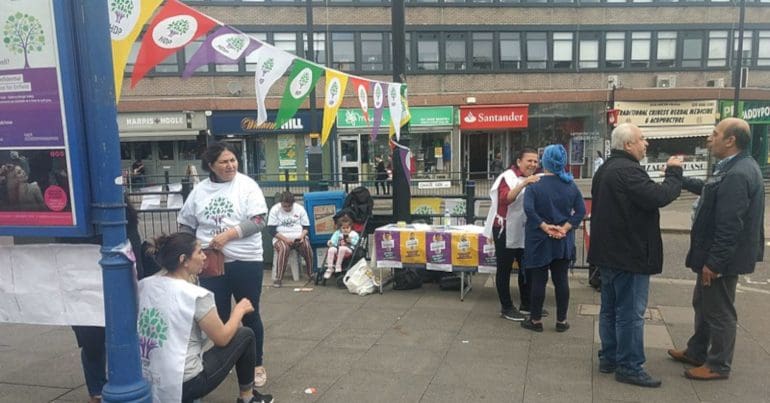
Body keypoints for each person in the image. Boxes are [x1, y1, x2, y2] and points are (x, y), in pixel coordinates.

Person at [667, 118, 764, 381]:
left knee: (719, 310)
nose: (710, 139)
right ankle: (697, 351)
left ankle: (718, 364)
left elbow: (730, 224)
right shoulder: (731, 167)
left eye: (715, 134)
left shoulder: (738, 173)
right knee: (703, 303)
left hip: (721, 259)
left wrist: (715, 263)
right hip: (714, 255)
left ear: (730, 140)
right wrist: (679, 178)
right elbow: (709, 190)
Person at [588, 123, 683, 388]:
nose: (646, 143)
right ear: (628, 144)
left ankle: (609, 357)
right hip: (629, 255)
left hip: (609, 254)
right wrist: (674, 173)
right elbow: (659, 196)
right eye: (642, 139)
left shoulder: (607, 168)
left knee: (609, 309)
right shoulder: (628, 171)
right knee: (630, 313)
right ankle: (629, 366)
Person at [138, 232, 273, 403]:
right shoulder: (196, 295)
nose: (204, 257)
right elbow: (222, 339)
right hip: (186, 383)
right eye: (200, 252)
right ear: (183, 260)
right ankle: (247, 398)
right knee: (245, 334)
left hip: (148, 376)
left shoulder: (145, 284)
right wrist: (239, 310)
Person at [177, 141, 270, 387]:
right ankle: (228, 359)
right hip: (210, 262)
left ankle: (256, 363)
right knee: (217, 316)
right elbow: (186, 223)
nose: (230, 166)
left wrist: (229, 235)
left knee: (249, 312)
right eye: (224, 162)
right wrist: (190, 248)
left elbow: (260, 220)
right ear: (211, 166)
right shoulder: (199, 191)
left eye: (233, 160)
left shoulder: (247, 186)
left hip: (245, 259)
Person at [520, 144, 585, 333]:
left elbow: (529, 209)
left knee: (538, 281)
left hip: (539, 239)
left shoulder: (534, 184)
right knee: (561, 281)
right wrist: (564, 228)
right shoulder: (570, 185)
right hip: (562, 240)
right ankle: (562, 321)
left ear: (545, 161)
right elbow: (581, 211)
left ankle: (536, 320)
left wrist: (543, 226)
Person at [483, 147, 542, 322]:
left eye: (535, 161)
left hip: (524, 228)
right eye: (529, 160)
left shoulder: (538, 177)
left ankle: (526, 303)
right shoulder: (508, 177)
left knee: (526, 267)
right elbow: (506, 198)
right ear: (518, 161)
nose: (532, 164)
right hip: (505, 228)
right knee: (505, 268)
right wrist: (523, 183)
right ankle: (506, 307)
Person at [267, 191, 314, 287]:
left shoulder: (300, 209)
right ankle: (278, 278)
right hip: (281, 238)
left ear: (293, 204)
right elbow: (271, 230)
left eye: (289, 206)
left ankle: (310, 273)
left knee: (307, 246)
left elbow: (306, 227)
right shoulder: (275, 210)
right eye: (285, 206)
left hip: (298, 237)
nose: (287, 208)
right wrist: (285, 239)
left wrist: (301, 236)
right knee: (284, 249)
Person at [323, 215, 360, 279]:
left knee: (342, 248)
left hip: (349, 250)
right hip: (338, 249)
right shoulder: (337, 233)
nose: (345, 230)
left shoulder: (354, 234)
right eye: (343, 228)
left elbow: (356, 243)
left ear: (350, 227)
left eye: (347, 228)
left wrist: (351, 241)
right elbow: (333, 241)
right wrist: (330, 243)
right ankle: (330, 268)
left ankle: (338, 265)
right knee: (331, 249)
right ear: (340, 228)